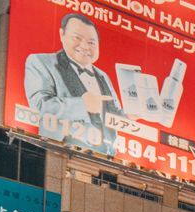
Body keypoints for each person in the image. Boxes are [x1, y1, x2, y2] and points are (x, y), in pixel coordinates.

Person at [23, 12, 126, 156]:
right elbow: (39, 106)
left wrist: (131, 117)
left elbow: (113, 114)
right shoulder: (41, 62)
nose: (84, 46)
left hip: (106, 156)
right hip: (61, 151)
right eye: (77, 38)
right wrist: (83, 105)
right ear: (62, 35)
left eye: (91, 42)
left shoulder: (103, 76)